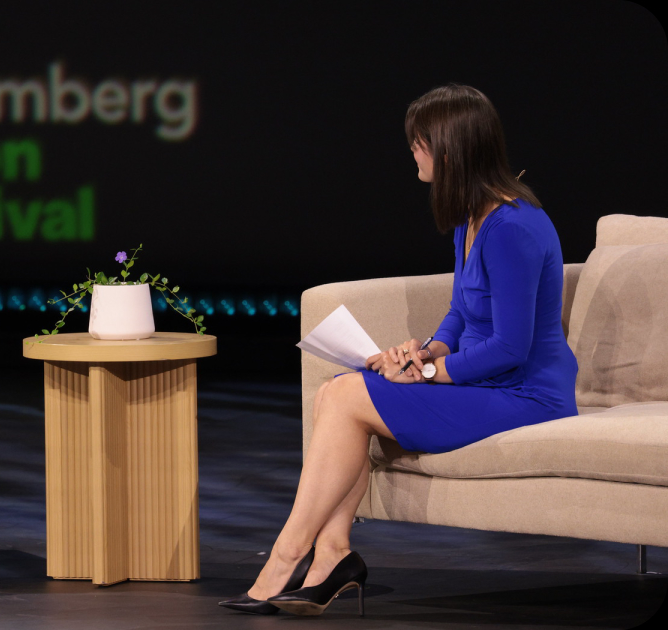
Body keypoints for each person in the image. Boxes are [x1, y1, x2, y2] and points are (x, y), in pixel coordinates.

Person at [220, 84, 578, 617]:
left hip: (526, 395)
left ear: (450, 151)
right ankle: (333, 555)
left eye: (419, 142)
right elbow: (462, 310)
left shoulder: (514, 227)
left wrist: (430, 373)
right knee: (333, 394)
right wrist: (426, 349)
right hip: (484, 383)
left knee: (344, 399)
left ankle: (286, 558)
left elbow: (511, 345)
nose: (412, 151)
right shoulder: (470, 218)